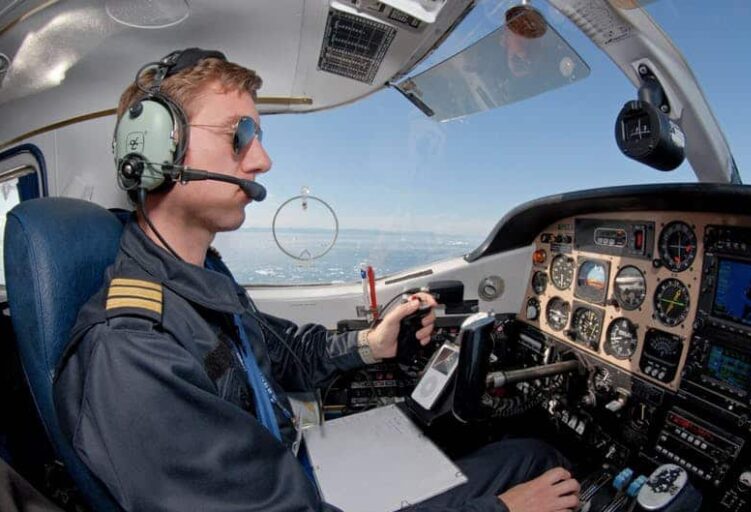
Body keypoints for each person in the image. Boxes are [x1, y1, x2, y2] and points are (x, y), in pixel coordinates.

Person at [54, 48, 580, 512]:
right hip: (296, 489)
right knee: (538, 463)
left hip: (291, 470)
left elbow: (280, 354)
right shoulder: (132, 355)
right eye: (239, 135)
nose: (261, 159)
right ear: (155, 149)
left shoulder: (198, 279)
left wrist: (371, 344)